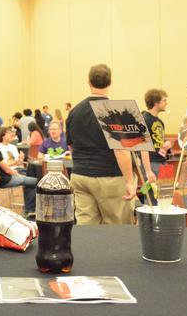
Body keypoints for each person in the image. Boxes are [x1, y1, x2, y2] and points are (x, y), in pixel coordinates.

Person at [66, 64, 136, 225]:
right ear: (110, 82)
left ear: (89, 82)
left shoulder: (74, 112)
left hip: (80, 176)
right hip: (109, 176)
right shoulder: (115, 111)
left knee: (86, 227)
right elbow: (121, 150)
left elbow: (71, 145)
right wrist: (129, 181)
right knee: (116, 227)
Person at [0, 126, 37, 219]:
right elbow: (7, 170)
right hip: (5, 180)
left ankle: (28, 208)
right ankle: (29, 210)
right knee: (35, 182)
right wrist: (16, 173)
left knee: (27, 181)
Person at [141, 89, 172, 180]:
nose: (166, 103)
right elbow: (143, 147)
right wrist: (148, 171)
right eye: (164, 100)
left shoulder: (160, 121)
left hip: (163, 160)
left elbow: (158, 141)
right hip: (152, 162)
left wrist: (167, 144)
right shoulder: (144, 119)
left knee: (168, 189)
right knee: (153, 189)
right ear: (155, 103)